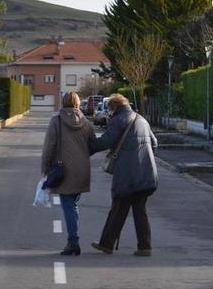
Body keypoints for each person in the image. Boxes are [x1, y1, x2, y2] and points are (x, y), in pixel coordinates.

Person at [91, 94, 158, 257]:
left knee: (118, 209)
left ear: (113, 107)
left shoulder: (118, 120)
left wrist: (87, 147)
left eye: (110, 108)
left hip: (126, 175)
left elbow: (105, 141)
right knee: (140, 211)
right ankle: (145, 247)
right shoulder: (142, 119)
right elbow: (155, 143)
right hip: (145, 174)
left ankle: (106, 244)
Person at [41, 92, 97, 256]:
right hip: (82, 169)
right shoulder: (86, 122)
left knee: (68, 206)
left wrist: (45, 168)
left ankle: (73, 242)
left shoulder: (57, 121)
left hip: (63, 170)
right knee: (72, 205)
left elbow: (49, 146)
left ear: (63, 102)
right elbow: (93, 145)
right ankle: (73, 239)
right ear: (78, 103)